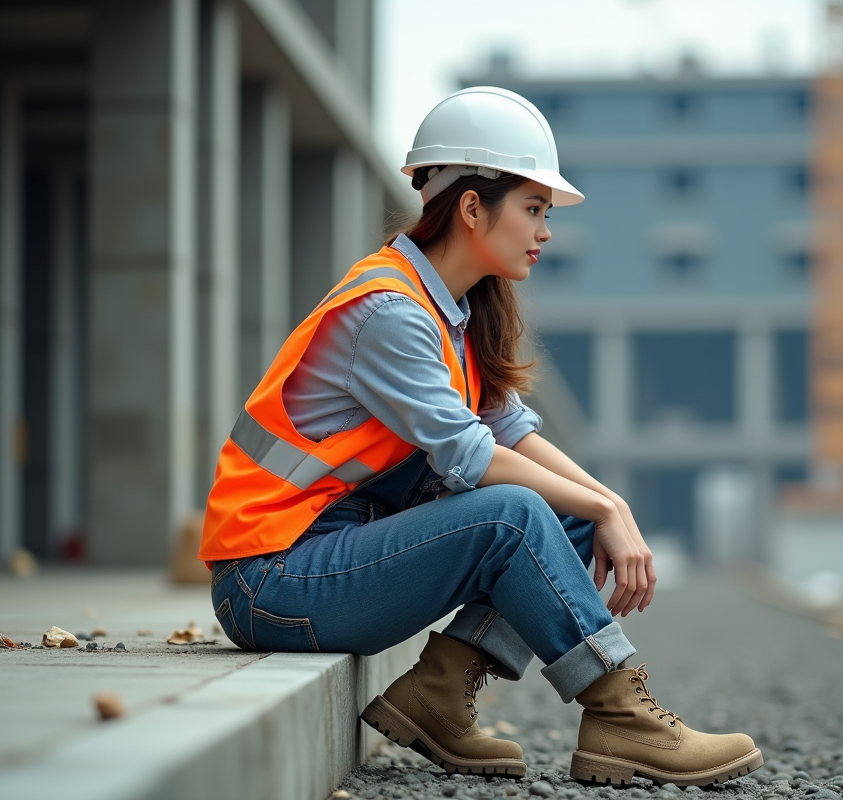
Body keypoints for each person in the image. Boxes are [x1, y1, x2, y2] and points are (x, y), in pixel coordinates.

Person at [200, 86, 761, 788]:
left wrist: (604, 502)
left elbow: (510, 433)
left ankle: (439, 693)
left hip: (325, 555)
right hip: (269, 582)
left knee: (560, 509)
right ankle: (619, 711)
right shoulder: (388, 311)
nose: (545, 231)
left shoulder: (451, 313)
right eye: (533, 209)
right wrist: (605, 509)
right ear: (472, 207)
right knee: (518, 512)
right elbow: (469, 458)